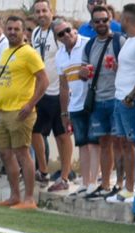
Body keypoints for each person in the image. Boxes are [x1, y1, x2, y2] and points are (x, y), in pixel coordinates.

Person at [0, 16, 47, 211]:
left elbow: (44, 80)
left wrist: (30, 105)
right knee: (5, 153)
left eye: (16, 29)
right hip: (3, 110)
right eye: (10, 29)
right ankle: (14, 196)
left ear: (23, 32)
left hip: (20, 111)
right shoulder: (6, 52)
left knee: (22, 153)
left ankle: (29, 199)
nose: (13, 32)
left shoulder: (29, 53)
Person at [75, 7, 122, 199]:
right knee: (103, 143)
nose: (101, 24)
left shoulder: (119, 41)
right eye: (97, 21)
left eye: (104, 20)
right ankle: (105, 183)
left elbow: (130, 69)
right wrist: (83, 73)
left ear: (110, 20)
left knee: (119, 143)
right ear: (92, 24)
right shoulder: (90, 45)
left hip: (116, 98)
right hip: (97, 100)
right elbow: (83, 71)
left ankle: (121, 184)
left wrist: (118, 67)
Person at [106, 3, 135, 204]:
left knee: (131, 144)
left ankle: (132, 188)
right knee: (123, 144)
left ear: (127, 20)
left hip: (129, 102)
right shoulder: (128, 41)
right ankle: (127, 187)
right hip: (119, 98)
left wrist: (131, 96)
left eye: (120, 18)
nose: (118, 21)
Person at [29, 7, 66, 187]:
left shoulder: (58, 30)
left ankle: (64, 176)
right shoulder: (35, 32)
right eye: (38, 11)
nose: (41, 14)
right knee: (35, 132)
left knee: (61, 135)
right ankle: (43, 171)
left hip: (58, 91)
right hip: (40, 91)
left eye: (44, 10)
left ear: (51, 12)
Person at [50, 20, 84, 193]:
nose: (66, 35)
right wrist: (64, 113)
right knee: (84, 144)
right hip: (75, 104)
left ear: (74, 29)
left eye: (67, 30)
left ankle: (99, 180)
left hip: (92, 101)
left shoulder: (87, 44)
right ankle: (82, 181)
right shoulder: (60, 55)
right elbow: (63, 86)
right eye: (60, 34)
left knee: (101, 143)